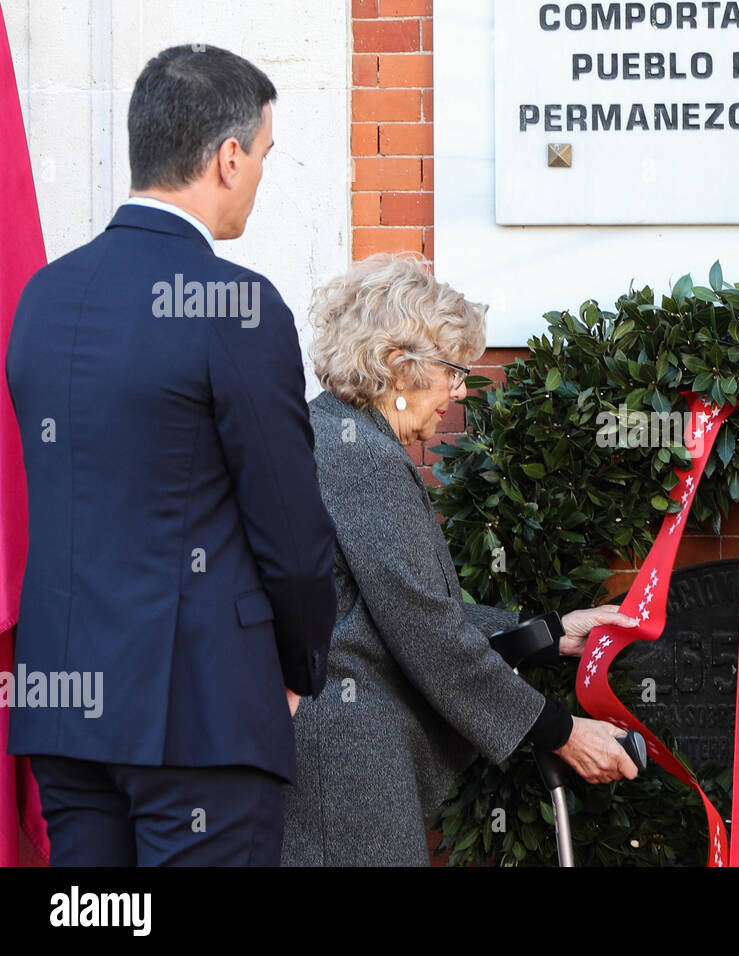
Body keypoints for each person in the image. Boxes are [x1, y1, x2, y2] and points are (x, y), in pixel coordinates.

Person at [5, 45, 336, 865]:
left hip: (66, 710)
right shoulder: (235, 305)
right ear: (228, 158)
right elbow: (293, 538)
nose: (261, 174)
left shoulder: (42, 298)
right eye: (262, 154)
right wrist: (296, 671)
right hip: (204, 716)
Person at [282, 253, 639, 866]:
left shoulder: (339, 435)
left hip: (339, 756)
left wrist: (550, 633)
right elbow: (427, 630)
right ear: (398, 365)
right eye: (451, 370)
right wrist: (560, 730)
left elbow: (412, 609)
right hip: (343, 766)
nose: (456, 390)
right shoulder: (359, 455)